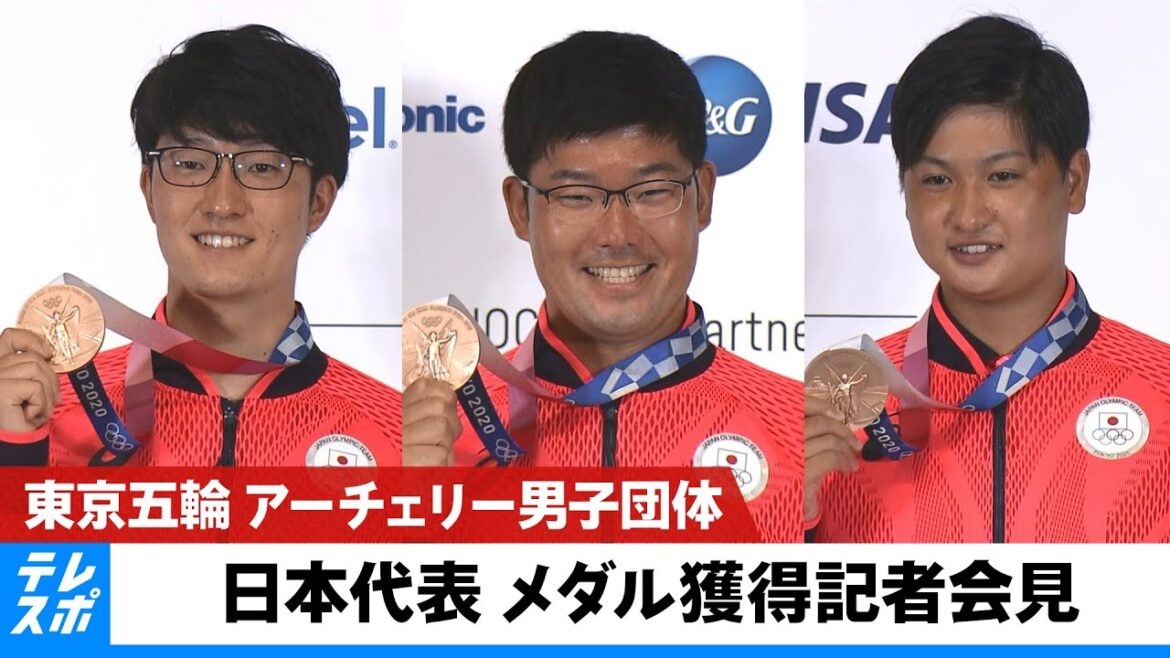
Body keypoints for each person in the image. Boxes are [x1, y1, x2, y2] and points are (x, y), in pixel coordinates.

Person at [403, 30, 802, 542]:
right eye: (576, 196)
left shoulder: (804, 433)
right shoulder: (430, 436)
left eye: (653, 191)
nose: (617, 235)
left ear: (702, 196)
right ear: (519, 209)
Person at [805, 15, 1170, 542]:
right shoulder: (835, 407)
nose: (968, 214)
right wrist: (786, 518)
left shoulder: (1159, 389)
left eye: (1002, 176)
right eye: (937, 180)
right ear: (904, 192)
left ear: (1073, 180)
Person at [0, 25, 402, 467]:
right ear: (149, 190)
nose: (222, 203)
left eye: (262, 167)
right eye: (190, 163)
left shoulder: (399, 439)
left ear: (319, 203)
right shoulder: (34, 412)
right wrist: (12, 456)